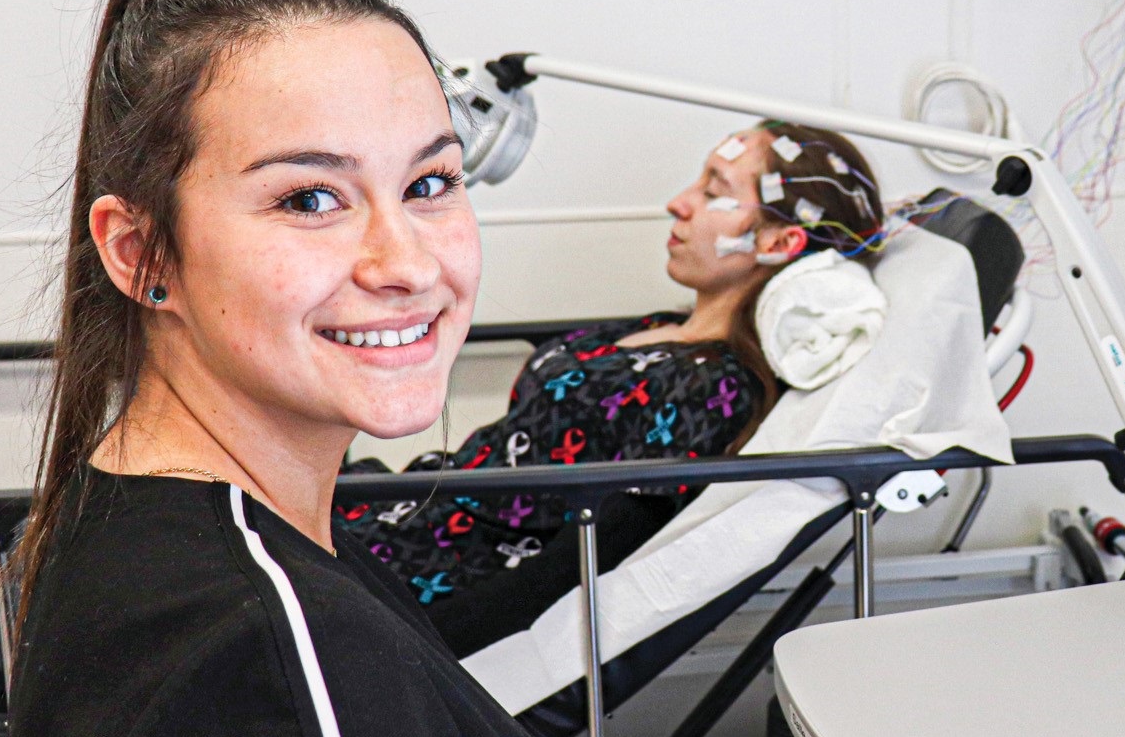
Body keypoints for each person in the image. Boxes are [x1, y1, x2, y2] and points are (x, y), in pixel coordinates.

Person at [0, 0, 619, 737]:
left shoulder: (140, 510)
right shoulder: (264, 648)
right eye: (311, 198)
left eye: (430, 183)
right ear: (141, 253)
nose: (405, 262)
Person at [338, 120, 885, 664]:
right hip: (406, 507)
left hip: (427, 575)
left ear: (778, 242)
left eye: (713, 191)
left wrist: (426, 649)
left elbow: (568, 572)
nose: (679, 203)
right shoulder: (661, 327)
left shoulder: (712, 389)